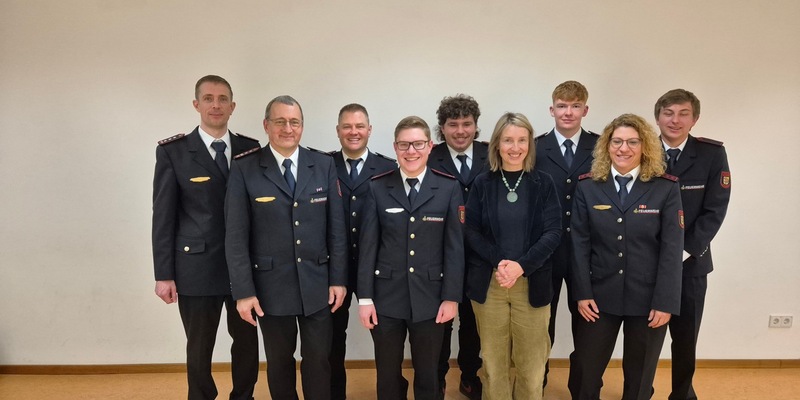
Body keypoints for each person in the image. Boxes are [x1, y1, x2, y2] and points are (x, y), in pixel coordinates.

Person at [225, 95, 348, 400]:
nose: (287, 128)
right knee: (279, 363)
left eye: (294, 122)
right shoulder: (245, 168)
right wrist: (243, 291)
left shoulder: (322, 164)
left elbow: (336, 229)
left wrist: (338, 279)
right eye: (280, 121)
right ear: (266, 126)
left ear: (302, 126)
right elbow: (236, 236)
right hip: (270, 287)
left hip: (317, 285)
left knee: (319, 360)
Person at [151, 75, 260, 400]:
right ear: (197, 104)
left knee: (247, 342)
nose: (216, 105)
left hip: (244, 268)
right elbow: (163, 216)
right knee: (199, 345)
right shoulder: (175, 152)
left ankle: (244, 395)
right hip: (196, 266)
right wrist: (164, 274)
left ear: (233, 106)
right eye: (209, 98)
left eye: (223, 98)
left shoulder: (249, 149)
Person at [569, 113, 684, 400]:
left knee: (641, 375)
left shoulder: (665, 187)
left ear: (645, 146)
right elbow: (579, 244)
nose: (624, 148)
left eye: (633, 142)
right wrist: (582, 293)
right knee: (587, 370)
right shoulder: (588, 186)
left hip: (647, 300)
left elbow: (672, 250)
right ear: (606, 146)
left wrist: (665, 301)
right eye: (617, 141)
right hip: (598, 297)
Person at [358, 116, 465, 400]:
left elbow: (455, 248)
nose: (411, 151)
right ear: (395, 147)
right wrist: (365, 299)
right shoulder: (377, 187)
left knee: (429, 372)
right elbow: (367, 247)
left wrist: (451, 297)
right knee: (388, 373)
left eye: (418, 144)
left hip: (432, 298)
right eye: (404, 144)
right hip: (386, 299)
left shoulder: (448, 188)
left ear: (430, 146)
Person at [464, 112, 562, 400]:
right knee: (494, 368)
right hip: (491, 285)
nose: (515, 147)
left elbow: (553, 232)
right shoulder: (483, 183)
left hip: (532, 284)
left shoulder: (544, 183)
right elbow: (471, 230)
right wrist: (500, 263)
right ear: (497, 144)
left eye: (521, 140)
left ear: (530, 144)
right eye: (508, 140)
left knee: (532, 370)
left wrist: (521, 266)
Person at [655, 89, 731, 400]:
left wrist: (684, 250)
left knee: (685, 338)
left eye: (683, 113)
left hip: (692, 263)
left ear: (694, 118)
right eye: (668, 113)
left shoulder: (711, 154)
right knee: (647, 337)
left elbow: (716, 208)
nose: (675, 120)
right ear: (657, 117)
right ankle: (640, 389)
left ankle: (683, 394)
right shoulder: (640, 150)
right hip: (649, 262)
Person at [533, 81, 599, 388]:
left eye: (575, 106)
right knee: (541, 323)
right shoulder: (535, 147)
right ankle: (538, 383)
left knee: (588, 322)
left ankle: (584, 388)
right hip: (547, 250)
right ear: (552, 109)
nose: (568, 112)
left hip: (590, 251)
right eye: (562, 106)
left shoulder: (602, 147)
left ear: (585, 109)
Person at [329, 103, 396, 400]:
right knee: (330, 342)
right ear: (338, 131)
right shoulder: (321, 165)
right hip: (333, 269)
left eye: (359, 126)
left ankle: (393, 392)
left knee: (386, 341)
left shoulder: (388, 168)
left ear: (369, 130)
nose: (353, 132)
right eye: (347, 126)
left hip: (376, 269)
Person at [427, 94, 487, 399]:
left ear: (476, 126)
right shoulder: (428, 155)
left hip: (481, 257)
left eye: (467, 124)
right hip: (439, 257)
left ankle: (469, 375)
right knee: (441, 323)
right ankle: (436, 377)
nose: (460, 131)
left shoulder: (493, 154)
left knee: (473, 323)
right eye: (453, 124)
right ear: (442, 127)